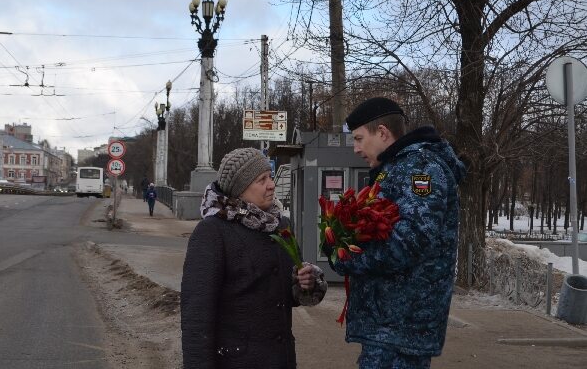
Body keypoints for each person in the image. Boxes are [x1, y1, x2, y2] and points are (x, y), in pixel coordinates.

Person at [329, 97, 466, 369]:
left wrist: (346, 256)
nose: (356, 149)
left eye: (358, 139)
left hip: (402, 326)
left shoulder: (420, 169)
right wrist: (342, 239)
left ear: (382, 132)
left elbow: (409, 242)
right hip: (391, 325)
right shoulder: (396, 168)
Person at [181, 147, 328, 369]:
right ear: (239, 189)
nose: (271, 184)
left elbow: (285, 293)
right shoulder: (212, 231)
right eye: (261, 179)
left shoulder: (280, 225)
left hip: (281, 359)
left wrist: (303, 283)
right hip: (235, 361)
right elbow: (196, 315)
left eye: (270, 176)